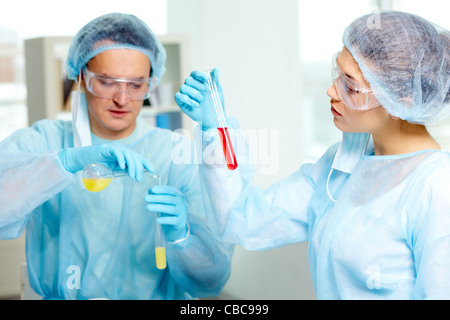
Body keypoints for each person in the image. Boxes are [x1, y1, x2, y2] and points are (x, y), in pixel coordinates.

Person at [175, 11, 450, 299]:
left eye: (351, 86)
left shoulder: (437, 187)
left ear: (400, 100)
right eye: (337, 74)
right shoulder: (342, 164)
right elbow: (244, 221)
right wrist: (215, 128)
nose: (332, 90)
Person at [0, 12, 231, 300]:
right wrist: (61, 165)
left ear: (151, 83)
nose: (123, 99)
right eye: (107, 82)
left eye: (136, 85)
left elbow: (211, 282)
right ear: (81, 77)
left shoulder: (175, 154)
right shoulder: (44, 140)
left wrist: (182, 236)